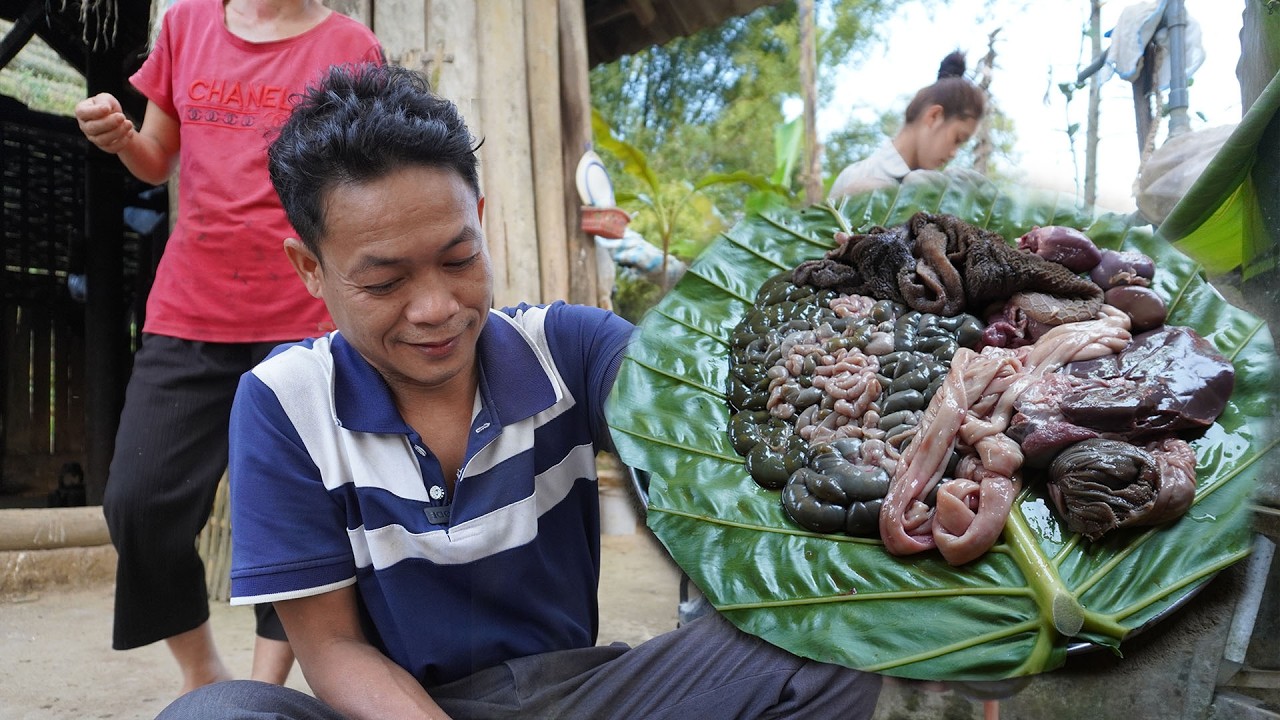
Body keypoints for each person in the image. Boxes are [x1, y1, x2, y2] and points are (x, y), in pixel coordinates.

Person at [155, 62, 883, 720]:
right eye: (384, 281)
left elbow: (698, 416)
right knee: (212, 715)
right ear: (310, 268)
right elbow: (334, 650)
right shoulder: (284, 404)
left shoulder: (571, 349)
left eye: (459, 257)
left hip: (584, 696)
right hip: (396, 709)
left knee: (821, 653)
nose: (436, 306)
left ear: (482, 216)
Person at [72, 0, 382, 694]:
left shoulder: (350, 45)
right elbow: (157, 160)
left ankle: (265, 688)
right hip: (191, 304)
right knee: (138, 502)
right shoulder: (186, 25)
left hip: (304, 312)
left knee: (301, 508)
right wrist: (122, 136)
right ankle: (203, 673)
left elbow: (363, 178)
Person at [828, 51, 986, 200]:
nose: (954, 153)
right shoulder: (857, 179)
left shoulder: (938, 196)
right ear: (934, 116)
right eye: (957, 139)